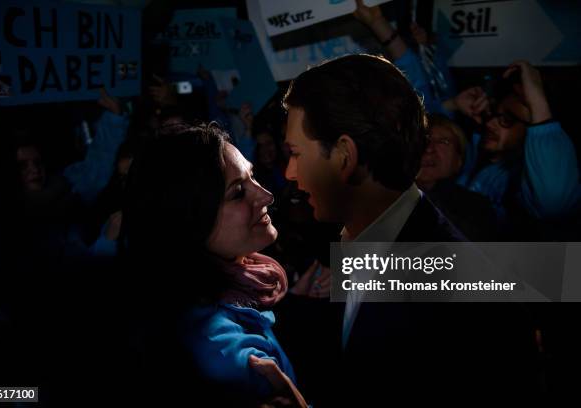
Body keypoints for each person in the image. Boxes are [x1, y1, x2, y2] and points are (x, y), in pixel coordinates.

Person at [283, 53, 537, 404]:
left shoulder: (474, 305)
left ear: (345, 156)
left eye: (296, 154)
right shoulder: (349, 245)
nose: (289, 173)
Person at [122, 123, 306, 406]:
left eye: (252, 176)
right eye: (237, 193)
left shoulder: (242, 287)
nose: (266, 196)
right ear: (189, 222)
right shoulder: (229, 357)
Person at [450, 61, 581, 238]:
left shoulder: (520, 181)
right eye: (495, 113)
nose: (490, 123)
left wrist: (540, 112)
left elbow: (553, 201)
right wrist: (451, 106)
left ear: (533, 131)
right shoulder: (474, 152)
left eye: (508, 118)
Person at [417, 113, 498, 240]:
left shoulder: (477, 209)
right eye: (423, 140)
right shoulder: (385, 202)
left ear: (459, 160)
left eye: (443, 142)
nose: (429, 149)